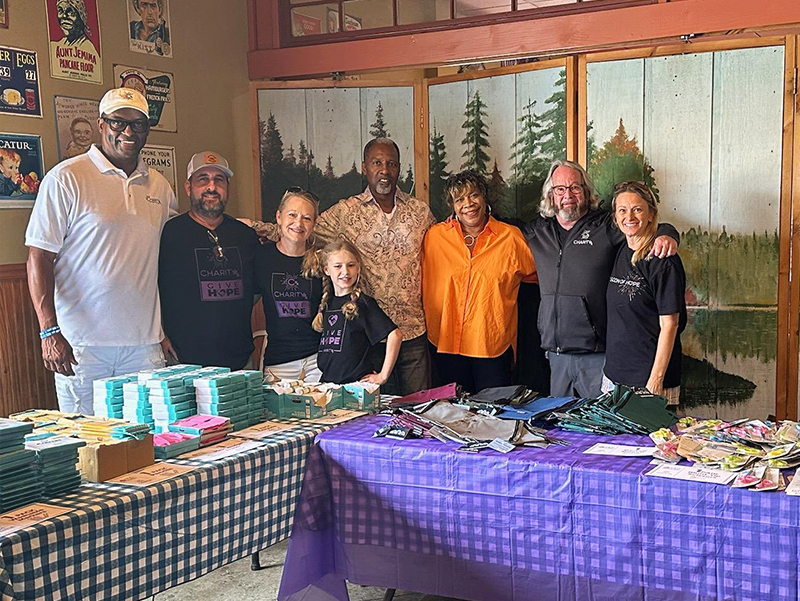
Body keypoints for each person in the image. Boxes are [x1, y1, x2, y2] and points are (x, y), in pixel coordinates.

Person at [25, 88, 177, 415]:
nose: (128, 132)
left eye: (138, 124)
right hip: (82, 347)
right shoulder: (66, 178)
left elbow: (175, 248)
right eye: (118, 122)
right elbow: (39, 257)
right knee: (88, 445)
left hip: (144, 346)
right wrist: (49, 331)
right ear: (101, 124)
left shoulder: (160, 187)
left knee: (146, 440)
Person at [252, 138, 436, 396]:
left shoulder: (420, 213)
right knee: (376, 416)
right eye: (377, 163)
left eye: (391, 164)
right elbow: (302, 229)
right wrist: (251, 228)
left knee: (419, 409)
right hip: (365, 338)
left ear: (398, 168)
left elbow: (443, 247)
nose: (384, 170)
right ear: (364, 167)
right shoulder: (345, 212)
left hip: (412, 331)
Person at [524, 160, 679, 399]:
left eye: (575, 188)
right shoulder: (536, 231)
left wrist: (668, 234)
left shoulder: (606, 226)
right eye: (560, 189)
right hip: (556, 354)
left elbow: (640, 225)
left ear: (586, 192)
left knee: (603, 427)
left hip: (598, 354)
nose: (568, 195)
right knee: (563, 428)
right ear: (550, 195)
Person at [422, 170, 537, 393]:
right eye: (459, 199)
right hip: (445, 344)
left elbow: (539, 277)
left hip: (491, 345)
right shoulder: (435, 238)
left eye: (474, 195)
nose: (468, 204)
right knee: (452, 415)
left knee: (494, 417)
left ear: (484, 197)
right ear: (452, 206)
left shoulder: (511, 238)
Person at [158, 152, 258, 370]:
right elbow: (149, 288)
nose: (211, 187)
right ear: (188, 187)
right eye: (203, 179)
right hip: (183, 361)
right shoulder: (169, 234)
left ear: (227, 189)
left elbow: (255, 291)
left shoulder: (245, 236)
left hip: (239, 361)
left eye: (219, 180)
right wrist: (158, 334)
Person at [603, 181, 686, 404]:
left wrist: (655, 381)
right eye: (622, 210)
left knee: (654, 440)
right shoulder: (622, 248)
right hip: (614, 377)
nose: (629, 216)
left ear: (651, 214)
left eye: (637, 209)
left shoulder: (663, 261)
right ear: (615, 216)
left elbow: (670, 325)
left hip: (648, 380)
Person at [255, 188, 323, 382]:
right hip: (279, 362)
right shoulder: (261, 257)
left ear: (313, 225)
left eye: (307, 218)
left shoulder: (321, 261)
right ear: (279, 217)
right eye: (292, 215)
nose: (298, 223)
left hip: (316, 361)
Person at [313, 239, 401, 385]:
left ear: (358, 268)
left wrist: (383, 375)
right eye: (337, 266)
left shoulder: (363, 303)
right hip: (328, 385)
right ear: (326, 270)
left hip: (356, 387)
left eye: (351, 265)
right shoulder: (326, 303)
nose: (345, 272)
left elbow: (395, 335)